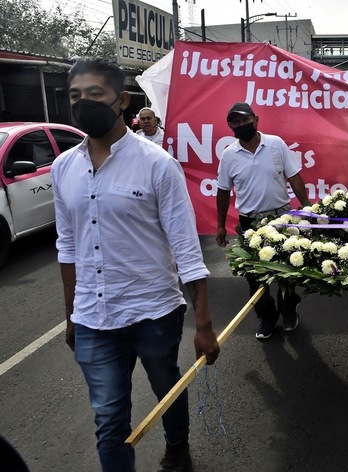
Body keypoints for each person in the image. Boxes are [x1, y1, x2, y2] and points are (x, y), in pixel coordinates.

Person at [52, 57, 220, 472]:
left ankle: (177, 445)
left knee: (167, 387)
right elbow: (67, 245)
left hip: (153, 311)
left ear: (122, 100)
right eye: (75, 97)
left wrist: (203, 323)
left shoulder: (157, 164)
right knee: (109, 420)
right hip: (93, 317)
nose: (83, 104)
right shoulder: (63, 167)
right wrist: (71, 315)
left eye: (95, 95)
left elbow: (186, 247)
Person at [215, 102, 311, 340]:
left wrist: (307, 208)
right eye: (235, 122)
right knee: (256, 275)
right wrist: (220, 225)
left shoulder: (276, 144)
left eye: (245, 120)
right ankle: (267, 317)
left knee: (288, 269)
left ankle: (288, 309)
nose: (241, 125)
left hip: (281, 218)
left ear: (256, 120)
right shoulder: (229, 155)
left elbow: (294, 177)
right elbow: (223, 191)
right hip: (250, 225)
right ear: (230, 127)